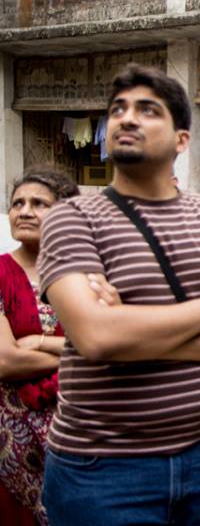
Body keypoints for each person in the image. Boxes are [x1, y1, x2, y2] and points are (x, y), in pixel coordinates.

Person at [37, 64, 200, 526]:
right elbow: (98, 338)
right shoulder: (71, 218)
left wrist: (131, 328)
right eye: (118, 109)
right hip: (102, 470)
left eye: (148, 110)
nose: (127, 118)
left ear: (181, 140)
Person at [0, 168, 78, 526]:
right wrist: (81, 352)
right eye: (17, 203)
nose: (25, 211)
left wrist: (42, 342)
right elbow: (5, 361)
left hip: (80, 433)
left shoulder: (87, 278)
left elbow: (117, 347)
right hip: (10, 441)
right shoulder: (1, 272)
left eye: (38, 203)